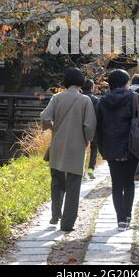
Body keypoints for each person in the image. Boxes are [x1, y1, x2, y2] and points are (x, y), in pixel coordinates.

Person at [96, 69, 139, 231]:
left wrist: (102, 148)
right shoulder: (135, 97)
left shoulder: (102, 102)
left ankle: (120, 219)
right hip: (132, 146)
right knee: (129, 182)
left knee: (116, 184)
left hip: (111, 147)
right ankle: (127, 216)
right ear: (126, 82)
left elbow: (98, 128)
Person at [40, 67, 96, 232]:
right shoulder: (85, 100)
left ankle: (55, 215)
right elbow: (89, 126)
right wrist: (87, 140)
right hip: (76, 146)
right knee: (73, 186)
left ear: (65, 81)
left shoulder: (56, 98)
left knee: (56, 182)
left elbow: (44, 117)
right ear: (81, 82)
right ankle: (67, 224)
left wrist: (53, 128)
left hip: (57, 145)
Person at [82, 79, 99, 180]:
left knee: (82, 149)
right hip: (93, 127)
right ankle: (91, 170)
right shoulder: (95, 100)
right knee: (94, 147)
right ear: (92, 88)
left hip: (80, 127)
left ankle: (82, 172)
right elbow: (98, 115)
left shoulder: (79, 98)